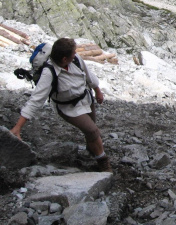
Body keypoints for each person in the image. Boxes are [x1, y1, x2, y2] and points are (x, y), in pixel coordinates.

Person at [10, 37, 112, 173]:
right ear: (64, 59)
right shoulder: (49, 73)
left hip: (86, 99)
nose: (75, 54)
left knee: (91, 131)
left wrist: (97, 91)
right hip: (69, 108)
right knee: (92, 130)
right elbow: (35, 100)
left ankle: (92, 149)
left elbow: (89, 75)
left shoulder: (76, 60)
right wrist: (18, 127)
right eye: (73, 53)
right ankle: (103, 162)